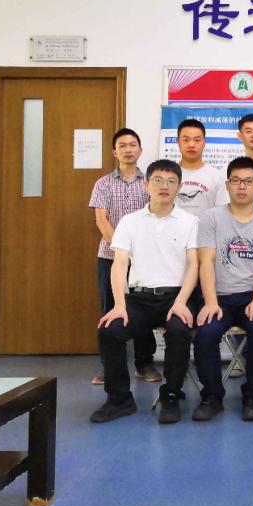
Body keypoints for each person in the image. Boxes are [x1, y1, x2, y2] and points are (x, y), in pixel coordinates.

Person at [91, 159, 198, 424]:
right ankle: (119, 400)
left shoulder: (191, 222)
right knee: (110, 329)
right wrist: (119, 305)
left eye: (171, 181)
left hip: (176, 296)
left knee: (179, 330)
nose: (164, 186)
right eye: (158, 180)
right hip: (138, 298)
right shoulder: (129, 222)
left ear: (179, 187)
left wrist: (182, 302)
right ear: (146, 185)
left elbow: (194, 265)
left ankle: (171, 395)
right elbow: (119, 264)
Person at [193, 157, 253, 422]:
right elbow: (206, 261)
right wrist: (210, 302)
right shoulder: (211, 218)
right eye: (237, 181)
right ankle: (212, 396)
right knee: (205, 334)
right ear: (227, 185)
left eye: (249, 181)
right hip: (217, 296)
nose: (242, 186)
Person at [88, 128, 155, 387]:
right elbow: (101, 220)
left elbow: (154, 217)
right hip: (110, 256)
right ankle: (109, 366)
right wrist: (121, 249)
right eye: (122, 146)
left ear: (140, 150)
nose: (128, 149)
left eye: (132, 144)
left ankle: (144, 363)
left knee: (144, 310)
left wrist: (137, 252)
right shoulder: (103, 184)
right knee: (109, 309)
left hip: (144, 259)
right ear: (115, 152)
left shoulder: (149, 182)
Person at [175, 118, 228, 216]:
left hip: (207, 226)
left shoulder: (217, 176)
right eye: (186, 140)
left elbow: (222, 214)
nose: (191, 145)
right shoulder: (168, 175)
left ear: (204, 142)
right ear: (177, 141)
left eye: (197, 140)